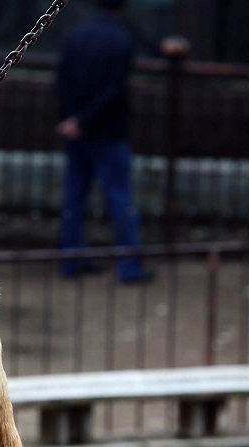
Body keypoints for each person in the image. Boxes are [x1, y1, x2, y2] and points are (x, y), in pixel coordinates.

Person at [55, 0, 152, 283]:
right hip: (107, 132)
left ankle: (71, 261)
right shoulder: (121, 39)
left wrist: (71, 120)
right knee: (120, 199)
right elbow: (114, 88)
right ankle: (129, 267)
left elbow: (62, 81)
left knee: (74, 198)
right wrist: (82, 120)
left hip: (78, 132)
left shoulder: (76, 35)